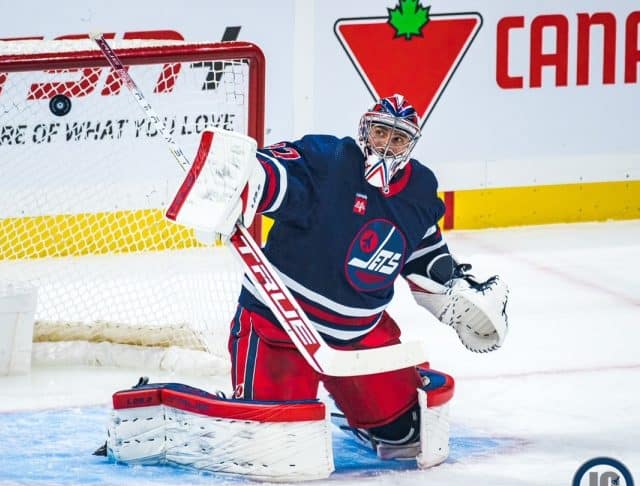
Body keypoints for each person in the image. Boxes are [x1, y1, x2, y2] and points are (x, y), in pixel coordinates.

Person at [174, 93, 509, 464]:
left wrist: (455, 291)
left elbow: (425, 257)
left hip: (359, 337)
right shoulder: (329, 161)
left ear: (411, 145)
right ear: (365, 130)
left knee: (407, 434)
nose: (387, 145)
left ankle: (354, 412)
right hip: (281, 326)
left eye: (398, 138)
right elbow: (274, 175)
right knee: (275, 444)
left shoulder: (418, 191)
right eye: (381, 132)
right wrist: (236, 184)